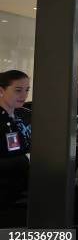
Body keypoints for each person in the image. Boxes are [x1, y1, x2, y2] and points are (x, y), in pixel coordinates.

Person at [0, 70, 31, 228]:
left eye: (27, 90)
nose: (24, 95)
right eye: (18, 90)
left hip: (23, 186)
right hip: (8, 196)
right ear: (1, 90)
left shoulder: (21, 117)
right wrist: (25, 159)